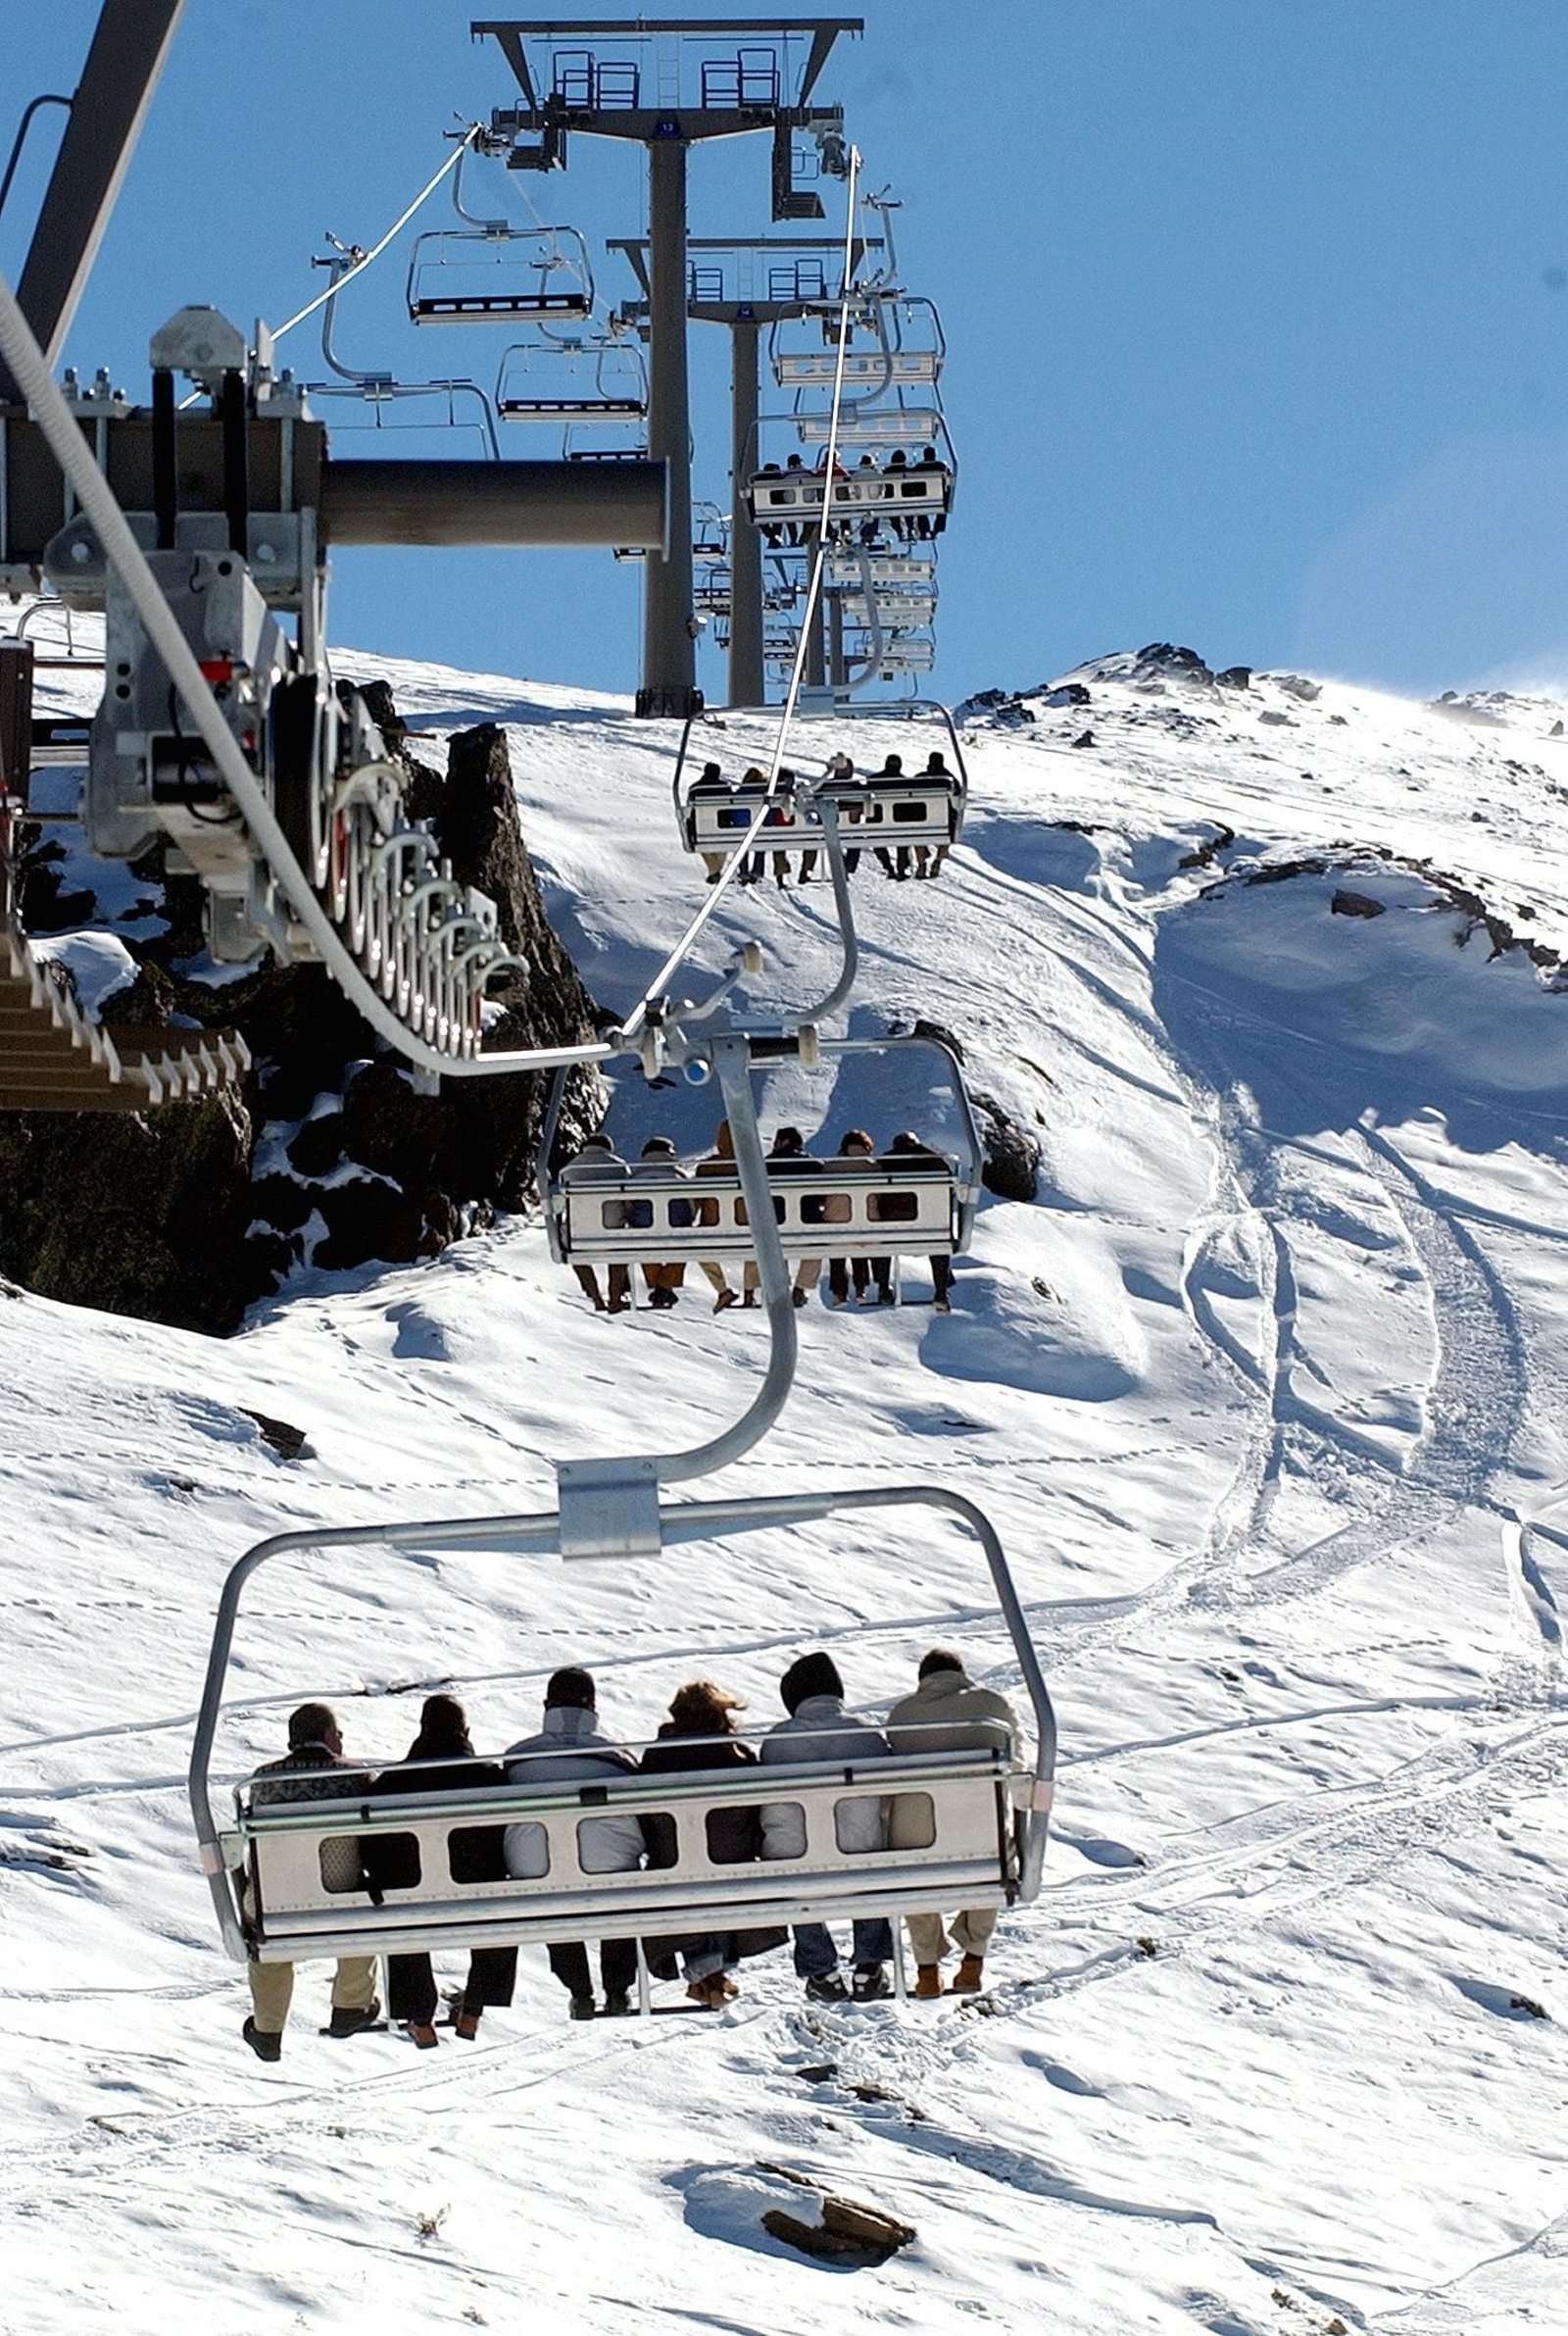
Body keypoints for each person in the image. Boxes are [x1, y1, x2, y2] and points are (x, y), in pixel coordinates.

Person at [362, 1696, 515, 2047]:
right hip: (478, 1888)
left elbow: (369, 1845)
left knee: (402, 1915)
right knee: (503, 1906)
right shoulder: (490, 1778)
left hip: (410, 1891)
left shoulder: (390, 1783)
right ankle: (472, 2009)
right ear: (466, 1732)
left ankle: (419, 2018)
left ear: (422, 1730)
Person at [503, 1668, 645, 2019]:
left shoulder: (518, 1758)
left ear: (546, 1705)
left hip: (534, 1868)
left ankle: (579, 1989)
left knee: (553, 1895)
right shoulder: (615, 1758)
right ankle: (617, 1988)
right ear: (593, 1707)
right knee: (620, 1893)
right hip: (609, 1865)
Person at [241, 1704, 380, 2061]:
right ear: (331, 1737)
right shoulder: (353, 1776)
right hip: (334, 1889)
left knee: (267, 1939)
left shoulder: (262, 1782)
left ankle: (268, 2029)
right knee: (361, 1905)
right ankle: (351, 2004)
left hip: (273, 1898)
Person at [760, 1652, 893, 2003]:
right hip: (859, 1853)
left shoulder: (776, 1741)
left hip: (795, 1858)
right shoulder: (865, 1735)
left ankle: (821, 1970)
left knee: (795, 1872)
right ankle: (870, 1966)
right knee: (870, 1861)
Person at [639, 1681, 782, 2009]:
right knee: (721, 1867)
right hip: (731, 1867)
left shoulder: (656, 1756)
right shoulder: (736, 1755)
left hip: (673, 1868)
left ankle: (709, 1976)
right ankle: (710, 1976)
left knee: (687, 1876)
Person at [886, 1650, 1020, 1997]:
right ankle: (973, 1960)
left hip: (919, 1838)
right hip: (980, 1835)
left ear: (923, 1681)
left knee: (912, 1865)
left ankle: (927, 1970)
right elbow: (1019, 1768)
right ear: (961, 1675)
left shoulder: (902, 1715)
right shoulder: (994, 1708)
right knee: (993, 1856)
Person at [744, 1124, 821, 1310]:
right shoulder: (813, 1165)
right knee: (817, 1247)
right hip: (807, 1224)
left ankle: (780, 1285)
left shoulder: (764, 1165)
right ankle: (801, 1288)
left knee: (767, 1245)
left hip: (773, 1224)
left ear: (784, 1141)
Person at [881, 1129, 957, 1312]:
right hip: (928, 1225)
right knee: (939, 1244)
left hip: (892, 1226)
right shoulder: (935, 1160)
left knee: (882, 1243)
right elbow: (950, 1190)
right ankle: (941, 1290)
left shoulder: (885, 1162)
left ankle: (883, 1288)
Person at [561, 1132, 631, 1315]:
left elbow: (560, 1202)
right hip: (612, 1229)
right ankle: (615, 1297)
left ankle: (595, 1297)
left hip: (579, 1233)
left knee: (576, 1255)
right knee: (619, 1254)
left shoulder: (568, 1170)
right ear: (608, 1148)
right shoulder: (619, 1167)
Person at [825, 1127, 892, 1308]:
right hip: (867, 1222)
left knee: (837, 1253)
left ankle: (839, 1293)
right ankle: (861, 1289)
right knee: (860, 1248)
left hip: (834, 1222)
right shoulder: (874, 1167)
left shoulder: (830, 1167)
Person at [629, 1135, 692, 1310]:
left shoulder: (636, 1175)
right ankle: (664, 1287)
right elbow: (692, 1202)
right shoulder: (680, 1174)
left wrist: (632, 1219)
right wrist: (689, 1218)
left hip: (644, 1225)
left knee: (642, 1245)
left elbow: (627, 1204)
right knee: (684, 1246)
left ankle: (662, 1287)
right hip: (676, 1224)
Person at [694, 1117, 742, 1312]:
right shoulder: (754, 1166)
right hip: (746, 1226)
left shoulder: (707, 1167)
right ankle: (750, 1291)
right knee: (758, 1251)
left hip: (712, 1226)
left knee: (699, 1248)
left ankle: (722, 1289)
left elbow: (697, 1199)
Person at [688, 760, 732, 883]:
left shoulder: (695, 788)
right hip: (722, 825)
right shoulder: (724, 787)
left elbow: (690, 808)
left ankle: (714, 872)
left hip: (702, 826)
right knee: (721, 844)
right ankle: (715, 872)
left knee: (704, 844)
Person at [871, 753, 909, 879]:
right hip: (899, 819)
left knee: (878, 842)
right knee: (903, 842)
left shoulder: (874, 779)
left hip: (877, 820)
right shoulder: (904, 782)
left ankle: (889, 867)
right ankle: (901, 868)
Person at [920, 748, 957, 879]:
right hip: (944, 820)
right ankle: (938, 860)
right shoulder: (950, 780)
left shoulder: (921, 778)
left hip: (923, 818)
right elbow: (957, 799)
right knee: (946, 836)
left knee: (917, 835)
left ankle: (921, 861)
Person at [734, 766, 767, 885]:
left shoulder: (741, 791)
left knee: (742, 844)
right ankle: (757, 870)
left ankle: (743, 870)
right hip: (760, 825)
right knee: (761, 844)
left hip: (742, 825)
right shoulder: (765, 791)